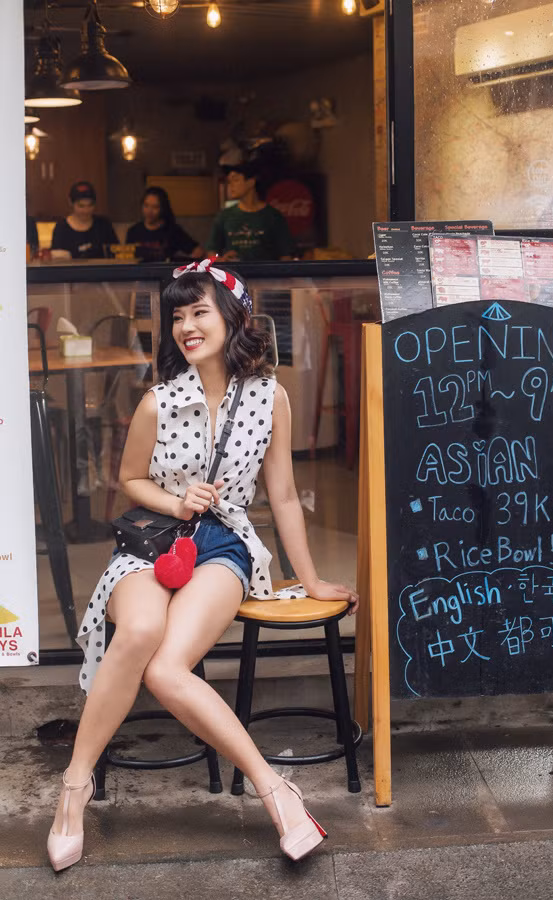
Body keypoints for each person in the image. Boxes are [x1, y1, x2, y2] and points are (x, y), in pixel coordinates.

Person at [46, 258, 358, 872]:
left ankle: (275, 791)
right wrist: (175, 500)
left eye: (199, 312)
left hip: (223, 544)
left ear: (233, 318)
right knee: (139, 631)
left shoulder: (271, 398)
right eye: (178, 316)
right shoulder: (157, 402)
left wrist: (312, 578)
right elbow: (129, 479)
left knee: (167, 670)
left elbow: (284, 496)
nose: (186, 326)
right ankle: (73, 789)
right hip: (154, 542)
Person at [207, 162, 295, 262]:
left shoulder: (273, 216)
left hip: (264, 271)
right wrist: (222, 261)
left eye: (236, 180)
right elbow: (211, 252)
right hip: (233, 272)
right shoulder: (224, 216)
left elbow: (286, 255)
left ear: (251, 182)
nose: (231, 186)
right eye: (229, 182)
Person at [126, 186, 203, 263]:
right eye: (146, 205)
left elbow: (198, 251)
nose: (149, 211)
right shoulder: (133, 231)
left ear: (162, 208)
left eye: (155, 207)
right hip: (140, 270)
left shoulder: (172, 230)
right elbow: (127, 259)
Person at [51, 181, 118, 259]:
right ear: (70, 203)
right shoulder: (61, 228)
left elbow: (116, 253)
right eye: (81, 206)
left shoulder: (103, 224)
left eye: (90, 205)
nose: (86, 211)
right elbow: (56, 259)